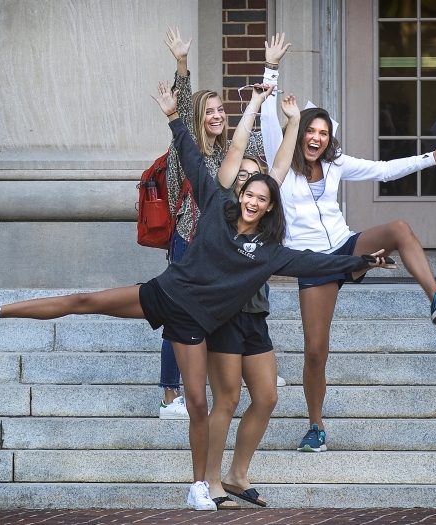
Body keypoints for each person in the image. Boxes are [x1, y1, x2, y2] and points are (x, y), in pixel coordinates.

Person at [0, 79, 389, 511]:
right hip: (165, 293)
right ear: (239, 195)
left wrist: (363, 261)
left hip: (195, 322)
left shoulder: (268, 253)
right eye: (249, 194)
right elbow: (192, 157)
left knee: (200, 401)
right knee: (84, 301)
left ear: (270, 207)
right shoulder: (215, 206)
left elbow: (318, 263)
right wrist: (172, 117)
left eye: (262, 198)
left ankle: (200, 487)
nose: (253, 201)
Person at [260, 33, 436, 453]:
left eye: (323, 132)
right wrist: (272, 71)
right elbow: (269, 121)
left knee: (398, 228)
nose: (317, 138)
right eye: (310, 131)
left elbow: (384, 169)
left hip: (345, 244)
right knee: (316, 351)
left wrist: (433, 158)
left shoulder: (337, 164)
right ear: (299, 133)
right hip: (313, 263)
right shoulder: (281, 164)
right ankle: (316, 426)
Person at [157, 29, 283, 419]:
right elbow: (179, 111)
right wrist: (181, 64)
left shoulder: (234, 154)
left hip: (226, 245)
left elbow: (259, 133)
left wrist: (271, 71)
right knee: (178, 311)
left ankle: (252, 365)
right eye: (209, 111)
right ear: (198, 117)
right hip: (189, 241)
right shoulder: (186, 153)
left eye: (220, 109)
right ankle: (170, 394)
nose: (217, 115)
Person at [203, 88, 306, 510]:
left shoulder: (262, 207)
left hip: (255, 317)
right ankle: (210, 480)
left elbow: (279, 165)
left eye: (255, 182)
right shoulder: (225, 207)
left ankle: (236, 474)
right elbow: (239, 149)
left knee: (266, 396)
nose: (248, 186)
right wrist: (253, 106)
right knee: (226, 399)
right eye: (241, 179)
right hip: (224, 317)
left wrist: (294, 121)